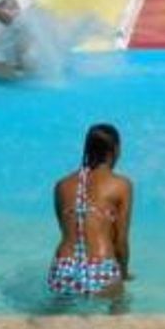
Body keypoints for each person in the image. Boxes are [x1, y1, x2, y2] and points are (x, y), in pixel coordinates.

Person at [48, 123, 133, 297]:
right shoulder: (121, 185)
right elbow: (120, 242)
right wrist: (123, 273)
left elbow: (66, 230)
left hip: (63, 270)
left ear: (87, 149)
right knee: (119, 310)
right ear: (115, 150)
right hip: (100, 269)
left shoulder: (61, 185)